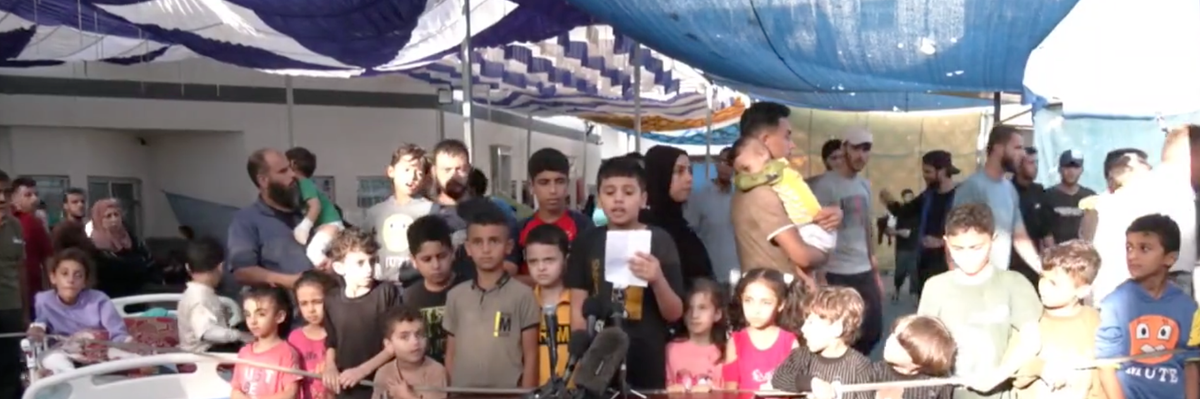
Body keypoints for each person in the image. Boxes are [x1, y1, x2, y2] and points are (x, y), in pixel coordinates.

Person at [565, 157, 685, 390]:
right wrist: (582, 351)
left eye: (628, 192)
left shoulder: (660, 240)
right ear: (599, 198)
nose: (618, 199)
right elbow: (578, 309)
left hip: (646, 354)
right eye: (610, 192)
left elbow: (675, 313)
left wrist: (658, 279)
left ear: (644, 199)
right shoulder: (586, 241)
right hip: (599, 355)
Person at [917, 204, 1042, 399]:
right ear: (946, 242)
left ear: (993, 240)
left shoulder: (1014, 283)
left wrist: (997, 376)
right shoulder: (934, 287)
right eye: (958, 248)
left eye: (976, 248)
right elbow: (923, 345)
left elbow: (1032, 340)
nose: (967, 256)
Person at [731, 102, 842, 282]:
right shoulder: (760, 193)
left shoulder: (769, 186)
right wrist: (827, 252)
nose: (792, 145)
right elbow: (803, 256)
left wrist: (832, 215)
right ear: (765, 140)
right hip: (775, 301)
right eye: (787, 137)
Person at [1096, 214, 1198, 399]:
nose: (1132, 256)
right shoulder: (1114, 304)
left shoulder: (1189, 308)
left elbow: (1191, 363)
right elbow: (1106, 365)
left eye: (1144, 248)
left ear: (1170, 258)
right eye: (1129, 247)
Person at [443, 204, 539, 388]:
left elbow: (531, 355)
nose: (486, 249)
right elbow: (450, 354)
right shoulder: (455, 296)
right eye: (478, 242)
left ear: (508, 246)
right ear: (468, 248)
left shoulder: (523, 295)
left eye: (494, 241)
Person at [810, 128, 884, 356]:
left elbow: (867, 228)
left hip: (862, 269)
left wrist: (875, 270)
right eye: (856, 148)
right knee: (841, 334)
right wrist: (820, 275)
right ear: (844, 148)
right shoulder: (826, 185)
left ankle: (855, 373)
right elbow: (817, 232)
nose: (861, 155)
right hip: (836, 272)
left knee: (873, 330)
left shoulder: (863, 186)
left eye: (866, 149)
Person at [1011, 240, 1103, 399]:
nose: (1043, 286)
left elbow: (1102, 379)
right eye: (1042, 277)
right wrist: (1040, 368)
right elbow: (1013, 374)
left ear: (1082, 291)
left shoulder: (1094, 322)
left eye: (1053, 283)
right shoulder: (1028, 317)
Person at [321, 228, 401, 399]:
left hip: (382, 386)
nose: (369, 269)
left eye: (372, 262)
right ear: (339, 267)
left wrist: (362, 371)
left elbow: (396, 343)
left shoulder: (386, 293)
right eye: (360, 263)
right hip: (346, 386)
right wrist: (330, 367)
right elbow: (331, 341)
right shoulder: (332, 300)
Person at [952, 125, 1043, 273]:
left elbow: (1020, 236)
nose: (1023, 154)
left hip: (998, 280)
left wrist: (1042, 270)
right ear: (999, 148)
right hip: (973, 281)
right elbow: (955, 236)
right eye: (1017, 148)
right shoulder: (972, 187)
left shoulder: (1010, 189)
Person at [26, 248, 133, 374]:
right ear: (53, 278)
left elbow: (117, 331)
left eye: (78, 275)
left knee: (130, 357)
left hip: (99, 352)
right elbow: (40, 322)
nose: (71, 280)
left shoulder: (98, 300)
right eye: (64, 273)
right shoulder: (44, 300)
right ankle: (74, 380)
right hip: (63, 352)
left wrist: (121, 349)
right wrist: (36, 330)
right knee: (52, 359)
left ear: (85, 282)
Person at [729, 137, 832, 265]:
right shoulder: (763, 190)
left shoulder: (772, 174)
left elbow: (803, 258)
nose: (745, 176)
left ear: (762, 154)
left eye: (746, 168)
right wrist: (825, 257)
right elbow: (802, 257)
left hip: (810, 224)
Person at [228, 149, 310, 292]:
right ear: (263, 180)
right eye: (283, 171)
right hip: (283, 309)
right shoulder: (246, 220)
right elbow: (243, 271)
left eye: (290, 168)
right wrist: (293, 282)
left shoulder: (310, 212)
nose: (292, 175)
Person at [769, 286, 873, 399]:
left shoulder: (860, 367)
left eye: (811, 323)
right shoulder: (801, 356)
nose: (803, 328)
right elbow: (779, 377)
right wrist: (812, 383)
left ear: (836, 329)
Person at [880, 150, 958, 299]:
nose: (924, 175)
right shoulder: (928, 195)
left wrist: (942, 241)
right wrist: (890, 202)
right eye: (924, 171)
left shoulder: (960, 195)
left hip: (949, 264)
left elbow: (970, 231)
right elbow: (905, 211)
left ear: (942, 171)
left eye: (928, 171)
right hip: (925, 263)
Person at [513, 148, 594, 285]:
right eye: (544, 183)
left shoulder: (583, 226)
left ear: (568, 184)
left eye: (559, 181)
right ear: (531, 186)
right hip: (527, 304)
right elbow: (507, 278)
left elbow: (592, 274)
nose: (553, 190)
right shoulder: (519, 229)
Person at [1084, 149, 1154, 304]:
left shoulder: (1147, 205)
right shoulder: (1099, 207)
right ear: (1116, 174)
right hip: (1108, 297)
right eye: (1141, 166)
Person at [363, 144, 436, 285]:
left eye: (419, 173)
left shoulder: (430, 210)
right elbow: (362, 245)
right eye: (406, 170)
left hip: (417, 283)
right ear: (391, 171)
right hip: (383, 284)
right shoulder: (376, 212)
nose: (412, 176)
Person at [643, 145, 714, 287]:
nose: (689, 178)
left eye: (689, 171)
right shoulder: (646, 228)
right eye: (679, 171)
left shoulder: (680, 224)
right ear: (660, 174)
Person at [724, 269, 801, 390]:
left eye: (765, 303)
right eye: (748, 301)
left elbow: (795, 387)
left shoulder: (790, 342)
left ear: (780, 305)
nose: (756, 310)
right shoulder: (735, 342)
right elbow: (730, 389)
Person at [401, 215, 461, 363]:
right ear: (413, 260)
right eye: (426, 259)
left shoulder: (469, 289)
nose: (436, 265)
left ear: (453, 252)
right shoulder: (409, 298)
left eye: (441, 256)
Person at [179, 236, 248, 353]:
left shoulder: (194, 292)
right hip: (204, 355)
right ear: (220, 267)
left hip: (205, 350)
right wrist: (238, 335)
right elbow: (207, 332)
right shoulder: (199, 299)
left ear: (188, 267)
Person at [231, 286, 302, 399]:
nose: (253, 321)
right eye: (248, 315)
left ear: (279, 317)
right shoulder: (244, 352)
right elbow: (235, 389)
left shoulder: (287, 353)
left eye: (261, 314)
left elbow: (290, 393)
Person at [684, 147, 740, 284]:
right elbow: (690, 231)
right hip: (709, 272)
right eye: (722, 162)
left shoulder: (741, 197)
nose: (725, 167)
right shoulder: (700, 196)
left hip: (736, 273)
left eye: (730, 164)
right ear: (716, 163)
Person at [525, 224, 571, 384]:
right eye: (533, 261)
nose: (541, 268)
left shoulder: (579, 303)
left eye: (549, 260)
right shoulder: (525, 303)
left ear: (566, 259)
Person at [872, 315, 956, 399]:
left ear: (922, 359)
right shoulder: (872, 373)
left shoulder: (937, 382)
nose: (890, 341)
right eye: (893, 333)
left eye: (901, 343)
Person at [371, 307, 448, 399]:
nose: (415, 342)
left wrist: (406, 396)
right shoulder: (384, 373)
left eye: (419, 334)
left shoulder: (436, 371)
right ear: (389, 344)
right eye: (404, 337)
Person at [286, 147, 345, 266]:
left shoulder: (304, 182)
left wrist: (304, 228)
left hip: (330, 225)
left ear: (292, 164)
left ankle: (332, 271)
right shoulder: (302, 184)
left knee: (313, 253)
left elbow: (315, 206)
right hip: (327, 226)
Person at [666, 278, 727, 392]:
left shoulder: (725, 352)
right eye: (689, 308)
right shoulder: (671, 349)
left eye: (702, 308)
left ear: (717, 314)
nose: (694, 315)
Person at [291, 271, 338, 399]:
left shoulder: (342, 335)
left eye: (317, 302)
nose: (311, 309)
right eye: (304, 303)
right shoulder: (295, 338)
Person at [10, 178, 51, 312]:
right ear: (13, 198)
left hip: (32, 293)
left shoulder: (35, 223)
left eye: (36, 194)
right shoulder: (11, 222)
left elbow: (47, 259)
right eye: (28, 195)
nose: (35, 199)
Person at [0, 171, 24, 399]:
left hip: (11, 309)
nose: (1, 198)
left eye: (6, 192)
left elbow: (21, 269)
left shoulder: (16, 225)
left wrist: (25, 311)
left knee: (11, 373)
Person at [1042, 150, 1097, 246]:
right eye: (1067, 166)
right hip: (1056, 256)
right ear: (1059, 169)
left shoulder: (1090, 196)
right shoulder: (1047, 196)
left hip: (1083, 255)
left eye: (1076, 167)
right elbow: (1045, 233)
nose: (1071, 171)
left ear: (1081, 170)